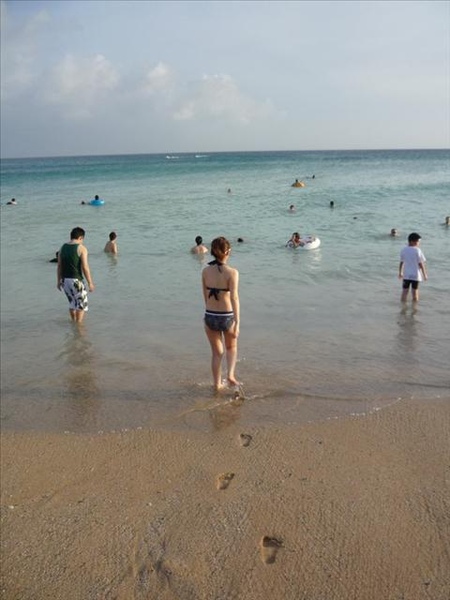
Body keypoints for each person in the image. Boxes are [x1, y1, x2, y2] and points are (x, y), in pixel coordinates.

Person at [202, 237, 240, 391]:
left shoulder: (205, 271)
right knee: (231, 347)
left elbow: (205, 295)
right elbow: (234, 298)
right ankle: (230, 375)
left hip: (210, 315)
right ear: (228, 252)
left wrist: (208, 313)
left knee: (217, 353)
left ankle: (217, 384)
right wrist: (237, 322)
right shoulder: (232, 273)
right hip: (227, 316)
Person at [57, 227, 95, 323]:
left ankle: (73, 323)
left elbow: (59, 266)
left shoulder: (62, 247)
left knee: (72, 303)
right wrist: (90, 282)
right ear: (81, 237)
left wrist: (58, 281)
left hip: (65, 280)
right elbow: (85, 267)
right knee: (81, 305)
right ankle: (78, 326)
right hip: (76, 280)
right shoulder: (81, 248)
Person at [398, 232, 427, 303]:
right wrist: (424, 274)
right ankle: (414, 308)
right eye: (418, 242)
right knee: (415, 292)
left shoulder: (404, 250)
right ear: (412, 241)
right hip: (415, 275)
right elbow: (421, 263)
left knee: (404, 291)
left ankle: (403, 307)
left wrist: (400, 272)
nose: (419, 243)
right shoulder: (417, 250)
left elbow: (401, 262)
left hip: (406, 275)